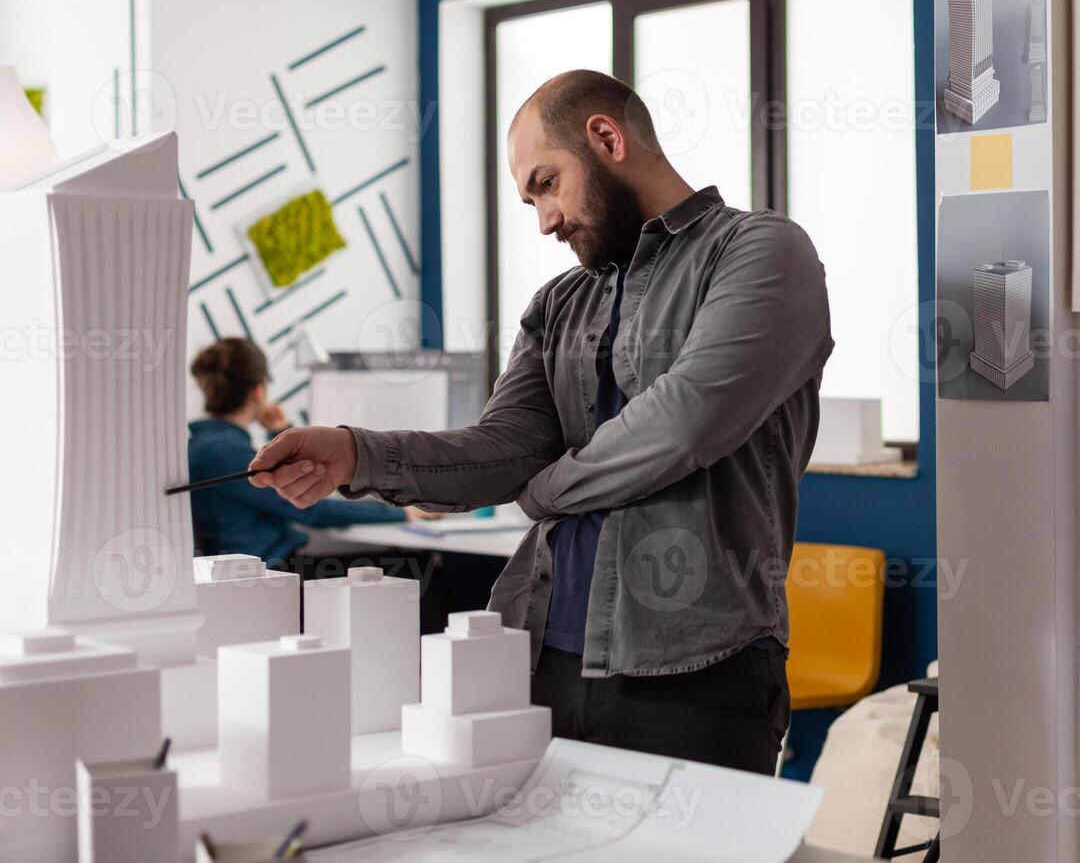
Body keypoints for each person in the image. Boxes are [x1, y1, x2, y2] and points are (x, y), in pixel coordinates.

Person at [248, 70, 833, 775]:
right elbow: (502, 449)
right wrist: (352, 453)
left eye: (545, 184)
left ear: (606, 138)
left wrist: (543, 492)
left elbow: (686, 422)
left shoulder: (761, 251)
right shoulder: (560, 302)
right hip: (536, 659)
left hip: (698, 671)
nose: (545, 221)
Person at [187, 338, 438, 567]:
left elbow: (297, 482)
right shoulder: (224, 451)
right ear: (259, 390)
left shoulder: (206, 445)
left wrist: (281, 432)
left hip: (266, 570)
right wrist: (400, 512)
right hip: (272, 573)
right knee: (419, 567)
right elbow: (310, 507)